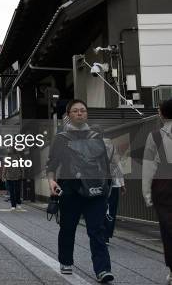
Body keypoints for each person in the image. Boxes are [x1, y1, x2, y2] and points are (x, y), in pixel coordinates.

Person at [47, 99, 114, 283]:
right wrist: (52, 180)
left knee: (97, 230)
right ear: (68, 115)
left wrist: (109, 185)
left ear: (87, 113)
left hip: (96, 190)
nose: (79, 113)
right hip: (70, 190)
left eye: (82, 110)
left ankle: (103, 270)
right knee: (68, 228)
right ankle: (66, 261)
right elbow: (52, 163)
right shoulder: (61, 138)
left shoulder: (96, 135)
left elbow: (105, 164)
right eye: (75, 111)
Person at [143, 98, 172, 285]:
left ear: (161, 113)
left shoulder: (155, 136)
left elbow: (148, 167)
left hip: (164, 186)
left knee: (168, 229)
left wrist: (146, 193)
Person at [103, 135, 125, 244]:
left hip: (99, 185)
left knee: (99, 208)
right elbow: (119, 167)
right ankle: (107, 234)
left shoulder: (95, 149)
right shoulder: (113, 150)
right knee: (111, 209)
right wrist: (122, 184)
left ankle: (100, 233)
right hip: (114, 185)